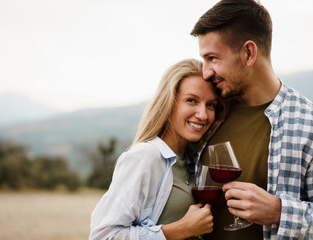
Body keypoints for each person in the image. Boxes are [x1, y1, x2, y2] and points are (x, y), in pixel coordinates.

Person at [190, 0, 313, 239]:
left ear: (249, 53)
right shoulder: (206, 114)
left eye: (213, 58)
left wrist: (280, 212)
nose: (206, 72)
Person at [89, 58, 228, 239]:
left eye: (211, 105)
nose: (203, 115)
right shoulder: (145, 156)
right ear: (169, 103)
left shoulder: (192, 159)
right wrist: (180, 229)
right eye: (192, 100)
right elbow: (103, 236)